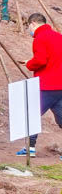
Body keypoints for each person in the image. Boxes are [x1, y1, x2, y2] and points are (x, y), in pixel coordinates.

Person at [24, 13, 62, 155]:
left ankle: (30, 148)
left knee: (32, 115)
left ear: (33, 23)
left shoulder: (40, 38)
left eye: (29, 26)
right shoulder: (59, 36)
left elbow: (40, 60)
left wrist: (29, 63)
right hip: (60, 85)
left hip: (46, 85)